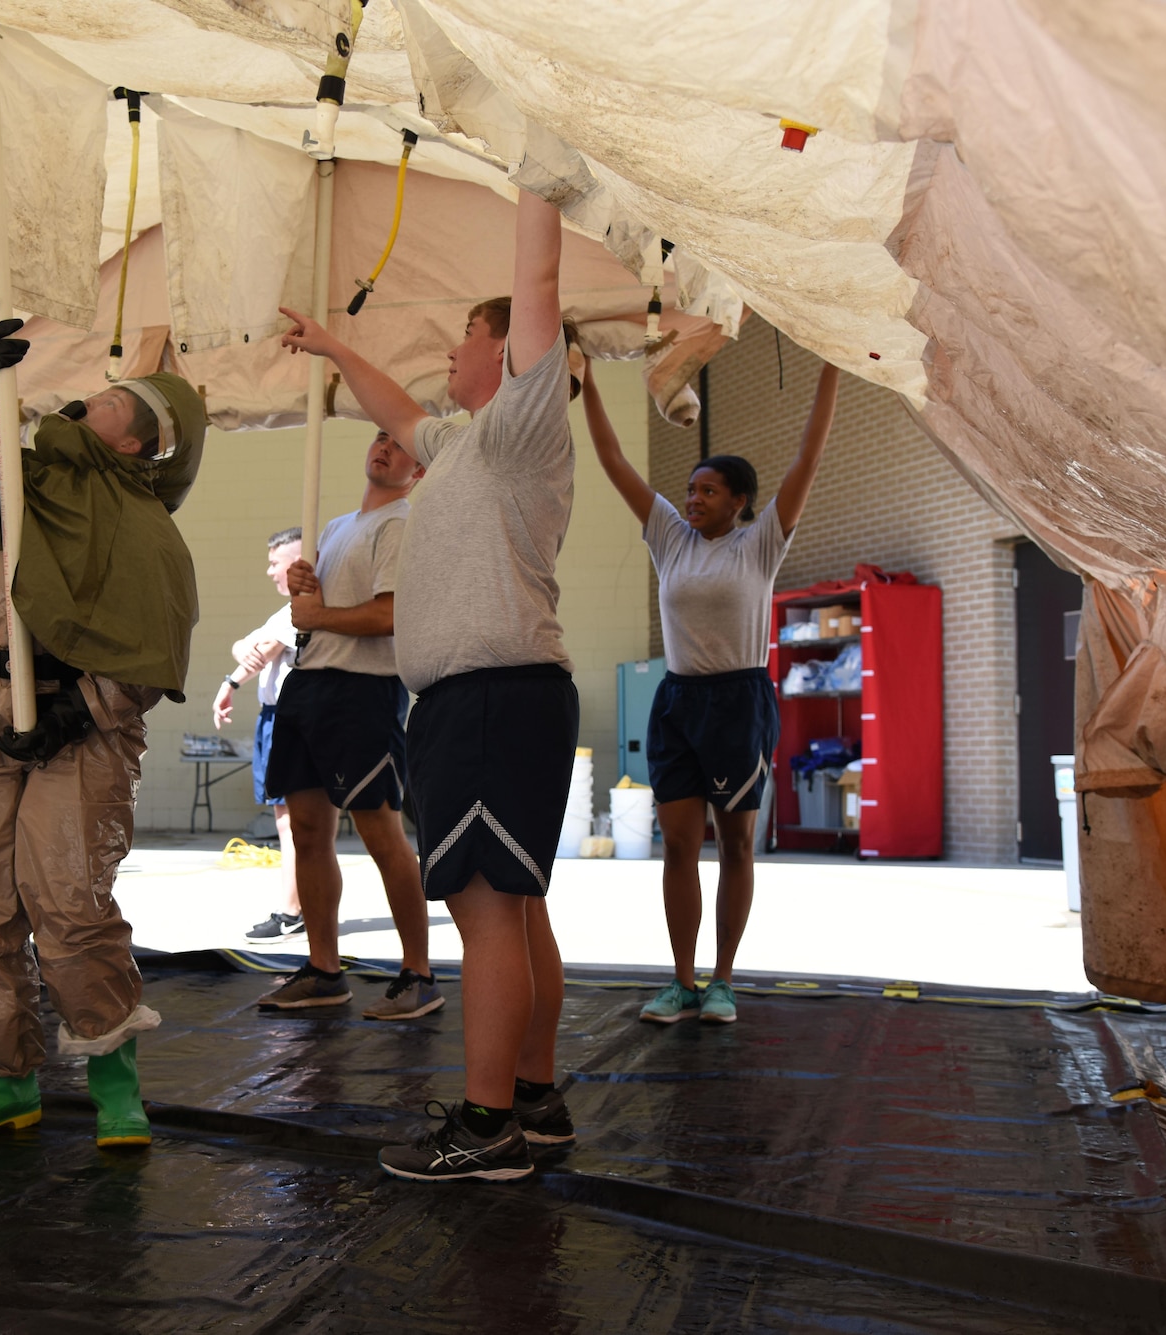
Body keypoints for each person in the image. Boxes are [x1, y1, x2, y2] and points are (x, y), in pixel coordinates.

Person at [278, 189, 582, 1181]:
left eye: (464, 337)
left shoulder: (522, 422)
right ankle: (530, 1099)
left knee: (487, 908)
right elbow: (395, 413)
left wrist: (535, 178)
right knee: (515, 909)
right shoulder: (459, 450)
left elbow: (536, 281)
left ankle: (486, 1125)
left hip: (494, 695)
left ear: (506, 356)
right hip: (478, 701)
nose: (449, 355)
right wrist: (328, 346)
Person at [0, 316, 209, 1150]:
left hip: (84, 721)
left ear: (144, 443)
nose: (86, 399)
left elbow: (152, 640)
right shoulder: (15, 480)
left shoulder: (146, 534)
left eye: (111, 401)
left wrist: (84, 705)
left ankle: (113, 1073)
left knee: (69, 900)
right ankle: (1, 1079)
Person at [583, 353, 839, 1025]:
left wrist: (832, 368)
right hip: (678, 701)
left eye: (707, 492)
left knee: (736, 845)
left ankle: (723, 979)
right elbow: (612, 459)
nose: (692, 498)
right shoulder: (669, 537)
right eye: (690, 489)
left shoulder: (761, 543)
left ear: (740, 502)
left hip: (739, 702)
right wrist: (584, 382)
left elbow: (807, 457)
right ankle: (682, 979)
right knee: (677, 846)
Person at [254, 432, 441, 1021]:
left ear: (417, 470)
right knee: (307, 831)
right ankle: (323, 969)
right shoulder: (336, 527)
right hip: (309, 686)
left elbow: (390, 614)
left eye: (400, 444)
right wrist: (309, 594)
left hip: (363, 692)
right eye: (380, 436)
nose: (384, 447)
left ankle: (418, 973)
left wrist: (317, 613)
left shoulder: (401, 524)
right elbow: (321, 615)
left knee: (380, 831)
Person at [211, 528, 306, 944]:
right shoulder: (282, 613)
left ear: (298, 562)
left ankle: (293, 912)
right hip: (274, 719)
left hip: (290, 721)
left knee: (293, 826)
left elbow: (259, 653)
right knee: (287, 822)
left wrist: (230, 683)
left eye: (275, 563)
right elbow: (244, 646)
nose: (269, 571)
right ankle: (299, 907)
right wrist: (248, 655)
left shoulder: (298, 611)